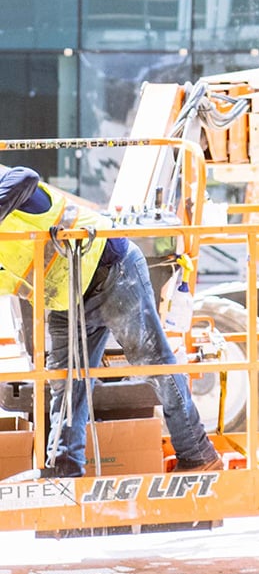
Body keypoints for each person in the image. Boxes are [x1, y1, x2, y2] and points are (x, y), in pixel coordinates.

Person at [0, 164, 222, 476]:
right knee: (65, 383)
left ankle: (198, 454)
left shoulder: (9, 186)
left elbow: (25, 176)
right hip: (69, 300)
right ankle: (65, 466)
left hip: (113, 271)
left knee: (155, 364)